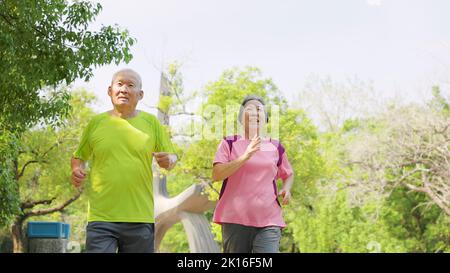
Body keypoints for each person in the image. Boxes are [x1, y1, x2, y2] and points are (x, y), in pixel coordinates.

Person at [71, 68, 177, 253]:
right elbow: (78, 156)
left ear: (140, 94)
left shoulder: (151, 123)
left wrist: (169, 160)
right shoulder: (96, 123)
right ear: (110, 90)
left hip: (139, 217)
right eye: (119, 84)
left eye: (130, 85)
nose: (124, 89)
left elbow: (172, 157)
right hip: (101, 217)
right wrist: (76, 169)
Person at [212, 95, 294, 253]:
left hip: (269, 219)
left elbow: (288, 173)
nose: (256, 112)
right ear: (241, 118)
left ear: (266, 118)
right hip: (234, 219)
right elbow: (216, 175)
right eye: (250, 108)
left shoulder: (275, 146)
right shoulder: (228, 143)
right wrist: (245, 156)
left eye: (260, 109)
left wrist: (287, 188)